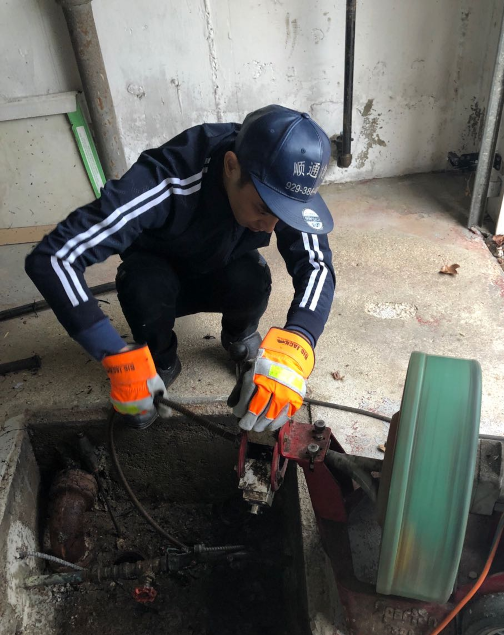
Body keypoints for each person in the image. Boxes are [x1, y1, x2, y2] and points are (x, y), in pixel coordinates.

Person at [25, 105, 335, 431]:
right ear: (231, 166)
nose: (272, 227)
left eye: (282, 215)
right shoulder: (167, 178)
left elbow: (316, 266)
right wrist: (113, 354)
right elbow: (53, 258)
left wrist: (297, 344)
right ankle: (159, 362)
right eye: (263, 208)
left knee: (252, 278)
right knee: (142, 287)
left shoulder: (281, 180)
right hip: (159, 276)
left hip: (222, 267)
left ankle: (240, 335)